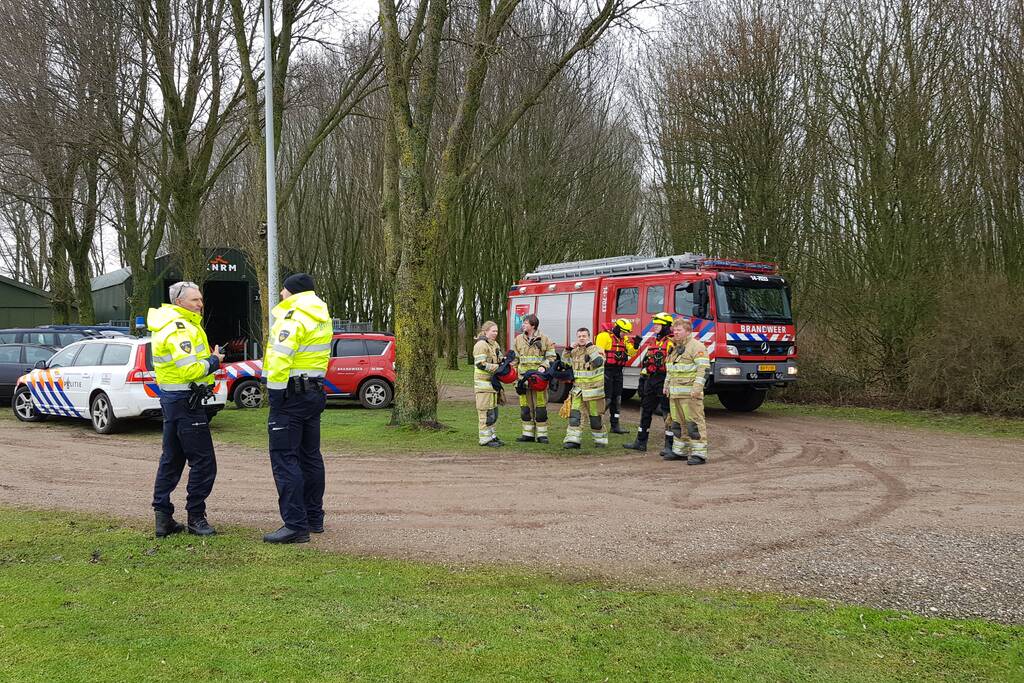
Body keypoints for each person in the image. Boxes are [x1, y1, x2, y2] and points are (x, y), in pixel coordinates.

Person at [147, 281, 225, 538]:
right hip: (185, 402)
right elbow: (190, 370)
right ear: (179, 302)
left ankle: (163, 518)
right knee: (204, 463)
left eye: (201, 299)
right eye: (195, 300)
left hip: (174, 400)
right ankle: (196, 517)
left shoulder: (172, 323)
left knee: (172, 459)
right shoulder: (179, 329)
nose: (200, 304)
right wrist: (214, 360)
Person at [262, 273, 333, 544]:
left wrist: (276, 395)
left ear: (293, 292)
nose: (280, 294)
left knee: (284, 458)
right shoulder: (320, 317)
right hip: (313, 391)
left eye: (284, 289)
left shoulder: (292, 317)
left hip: (291, 394)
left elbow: (280, 358)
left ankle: (294, 525)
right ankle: (314, 518)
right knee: (310, 456)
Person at [623, 312, 675, 455]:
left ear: (666, 326)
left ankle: (670, 445)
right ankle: (640, 442)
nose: (655, 326)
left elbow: (674, 364)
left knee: (667, 413)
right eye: (655, 324)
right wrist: (642, 380)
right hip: (651, 380)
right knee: (645, 411)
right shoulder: (653, 341)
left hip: (664, 380)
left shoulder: (671, 342)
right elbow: (647, 362)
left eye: (658, 324)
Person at [663, 317, 711, 464]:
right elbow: (671, 370)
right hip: (675, 394)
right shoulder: (675, 348)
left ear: (688, 331)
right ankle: (680, 451)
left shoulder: (696, 347)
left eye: (679, 330)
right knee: (677, 424)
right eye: (674, 330)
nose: (675, 333)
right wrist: (666, 385)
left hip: (690, 394)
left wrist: (697, 389)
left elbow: (703, 370)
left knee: (693, 424)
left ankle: (699, 454)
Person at [511, 314, 556, 443]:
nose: (523, 325)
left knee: (540, 408)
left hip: (539, 380)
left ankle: (542, 435)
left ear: (533, 325)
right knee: (525, 408)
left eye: (525, 323)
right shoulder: (518, 339)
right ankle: (528, 435)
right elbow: (514, 360)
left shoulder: (545, 339)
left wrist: (543, 366)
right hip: (523, 381)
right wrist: (515, 379)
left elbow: (551, 357)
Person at [563, 327, 607, 449]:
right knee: (575, 416)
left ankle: (600, 441)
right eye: (579, 336)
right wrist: (569, 349)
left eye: (584, 336)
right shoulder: (575, 351)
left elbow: (598, 362)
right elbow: (564, 362)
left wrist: (589, 347)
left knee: (595, 418)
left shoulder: (597, 349)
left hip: (593, 392)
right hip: (578, 391)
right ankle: (573, 440)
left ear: (589, 337)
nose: (582, 338)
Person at [595, 318, 639, 434]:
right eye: (623, 331)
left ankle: (615, 425)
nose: (625, 334)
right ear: (618, 328)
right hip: (606, 371)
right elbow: (598, 353)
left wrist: (636, 345)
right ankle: (596, 421)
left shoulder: (623, 339)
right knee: (607, 399)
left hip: (618, 371)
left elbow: (631, 353)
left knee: (617, 399)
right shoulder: (604, 336)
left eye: (626, 332)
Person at [473, 321, 505, 448]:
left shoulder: (494, 344)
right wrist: (497, 368)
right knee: (485, 414)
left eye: (497, 331)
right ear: (485, 331)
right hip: (483, 386)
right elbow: (480, 364)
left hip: (492, 385)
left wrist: (506, 362)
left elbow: (500, 358)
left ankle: (492, 436)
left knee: (493, 413)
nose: (495, 334)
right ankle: (484, 439)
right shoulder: (481, 345)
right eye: (493, 331)